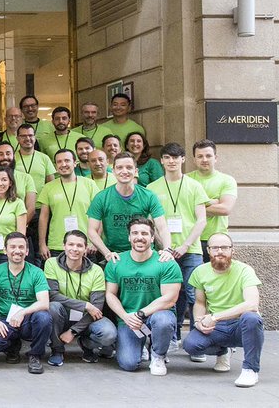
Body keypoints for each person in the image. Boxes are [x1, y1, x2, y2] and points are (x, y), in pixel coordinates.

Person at [147, 142, 209, 346]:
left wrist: (185, 245)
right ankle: (172, 338)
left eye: (175, 157)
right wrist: (163, 246)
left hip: (191, 250)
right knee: (169, 295)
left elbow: (201, 220)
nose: (171, 161)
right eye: (167, 157)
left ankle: (197, 339)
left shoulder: (194, 186)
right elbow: (150, 223)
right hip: (163, 252)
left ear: (183, 159)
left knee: (194, 294)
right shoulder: (152, 188)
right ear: (162, 161)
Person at [182, 233, 263, 388]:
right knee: (191, 345)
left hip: (240, 325)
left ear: (232, 250)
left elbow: (252, 304)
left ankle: (250, 369)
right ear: (208, 250)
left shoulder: (245, 270)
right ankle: (223, 351)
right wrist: (198, 322)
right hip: (216, 328)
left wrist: (215, 317)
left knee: (252, 318)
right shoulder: (200, 271)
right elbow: (199, 303)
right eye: (215, 248)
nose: (220, 251)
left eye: (224, 247)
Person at [104, 218, 181, 374]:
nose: (139, 237)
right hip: (129, 318)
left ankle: (158, 355)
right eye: (135, 233)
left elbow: (170, 299)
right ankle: (141, 344)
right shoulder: (116, 262)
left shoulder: (166, 262)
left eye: (144, 233)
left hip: (156, 315)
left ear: (152, 238)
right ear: (129, 237)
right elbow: (110, 294)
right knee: (129, 364)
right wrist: (125, 316)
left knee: (163, 321)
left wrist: (141, 313)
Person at [43, 230, 117, 366]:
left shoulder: (96, 270)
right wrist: (85, 305)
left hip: (86, 318)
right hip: (62, 315)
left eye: (79, 245)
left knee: (109, 334)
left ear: (85, 248)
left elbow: (97, 308)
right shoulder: (51, 263)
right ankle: (57, 350)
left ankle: (86, 345)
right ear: (64, 246)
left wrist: (73, 331)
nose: (75, 249)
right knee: (53, 307)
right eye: (71, 244)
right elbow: (52, 295)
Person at [0, 232, 53, 374]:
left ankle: (35, 355)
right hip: (5, 320)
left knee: (44, 317)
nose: (17, 251)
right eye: (12, 247)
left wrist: (22, 312)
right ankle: (12, 347)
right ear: (5, 250)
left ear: (27, 251)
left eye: (21, 247)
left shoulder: (36, 272)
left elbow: (44, 303)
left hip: (28, 320)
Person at [87, 153, 171, 262]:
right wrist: (107, 253)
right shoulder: (101, 198)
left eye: (129, 167)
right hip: (115, 255)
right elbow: (91, 231)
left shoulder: (149, 196)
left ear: (136, 171)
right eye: (119, 168)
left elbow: (162, 227)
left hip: (145, 253)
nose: (124, 171)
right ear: (113, 171)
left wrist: (167, 249)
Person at [37, 150, 100, 257]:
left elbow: (99, 214)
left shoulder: (89, 184)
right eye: (59, 162)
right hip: (57, 245)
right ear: (56, 166)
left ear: (75, 163)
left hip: (86, 245)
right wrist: (42, 244)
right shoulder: (48, 187)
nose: (63, 164)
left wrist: (96, 241)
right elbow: (43, 217)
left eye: (67, 160)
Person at [188, 140, 237, 261]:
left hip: (217, 240)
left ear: (216, 158)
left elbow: (225, 209)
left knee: (217, 272)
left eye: (208, 156)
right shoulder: (186, 180)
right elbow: (181, 207)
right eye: (200, 156)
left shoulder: (227, 180)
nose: (204, 159)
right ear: (194, 159)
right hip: (191, 239)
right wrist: (213, 202)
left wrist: (195, 205)